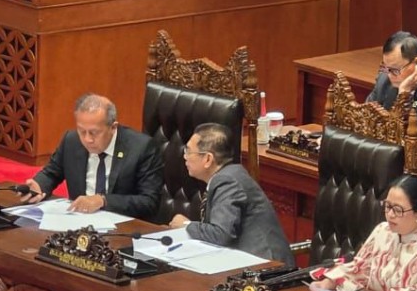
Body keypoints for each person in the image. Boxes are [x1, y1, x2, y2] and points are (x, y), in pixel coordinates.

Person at [308, 174, 417, 291]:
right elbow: (360, 268)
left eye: (398, 210)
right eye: (388, 206)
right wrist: (328, 284)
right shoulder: (383, 231)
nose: (390, 214)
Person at [22, 93, 163, 221]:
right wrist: (39, 184)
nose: (87, 139)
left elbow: (149, 202)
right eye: (82, 131)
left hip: (122, 227)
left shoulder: (141, 148)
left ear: (113, 127)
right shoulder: (71, 141)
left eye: (94, 133)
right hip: (77, 222)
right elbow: (52, 173)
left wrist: (103, 200)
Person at [168, 123, 294, 267]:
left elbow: (221, 234)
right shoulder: (228, 175)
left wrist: (186, 225)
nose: (185, 157)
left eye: (189, 151)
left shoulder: (227, 182)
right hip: (247, 262)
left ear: (208, 159)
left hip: (266, 267)